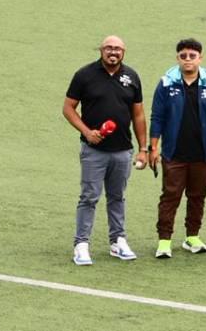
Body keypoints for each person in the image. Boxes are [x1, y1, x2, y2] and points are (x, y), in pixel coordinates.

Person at [62, 35, 149, 265]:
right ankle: (81, 244)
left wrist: (143, 148)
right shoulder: (85, 75)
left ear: (124, 52)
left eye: (118, 49)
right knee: (89, 197)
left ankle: (117, 241)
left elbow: (138, 115)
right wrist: (87, 131)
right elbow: (68, 108)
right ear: (101, 50)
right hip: (94, 151)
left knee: (117, 197)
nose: (113, 52)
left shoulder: (132, 77)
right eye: (109, 48)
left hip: (123, 151)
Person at [148, 38, 206, 259]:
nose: (187, 60)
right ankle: (164, 241)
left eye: (192, 56)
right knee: (171, 196)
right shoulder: (166, 83)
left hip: (203, 153)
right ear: (177, 58)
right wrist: (153, 147)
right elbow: (157, 117)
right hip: (174, 152)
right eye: (183, 56)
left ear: (200, 58)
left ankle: (192, 237)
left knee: (197, 196)